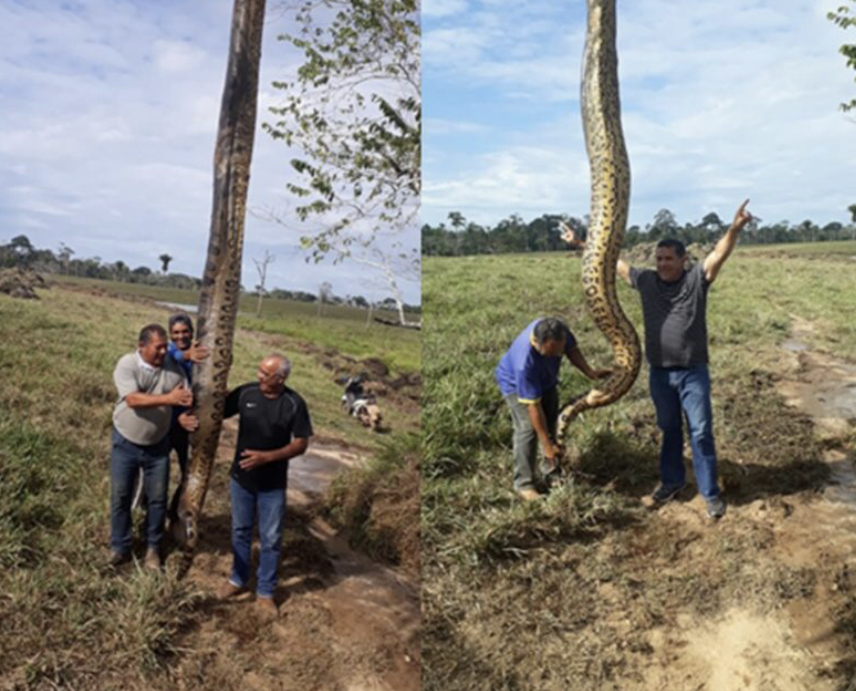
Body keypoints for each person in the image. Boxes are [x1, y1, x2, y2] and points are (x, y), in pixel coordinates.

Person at [564, 199, 753, 519]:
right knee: (669, 430)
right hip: (660, 374)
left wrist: (734, 229)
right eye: (659, 258)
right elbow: (615, 264)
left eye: (668, 259)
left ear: (683, 260)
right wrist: (582, 244)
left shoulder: (696, 280)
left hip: (693, 371)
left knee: (701, 432)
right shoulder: (647, 281)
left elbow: (719, 254)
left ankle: (710, 494)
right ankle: (672, 483)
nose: (662, 264)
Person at [218, 353, 313, 617]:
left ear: (280, 378)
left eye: (265, 374)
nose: (259, 376)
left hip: (273, 485)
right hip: (241, 480)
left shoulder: (294, 404)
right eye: (259, 370)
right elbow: (218, 411)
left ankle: (265, 591)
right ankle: (237, 579)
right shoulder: (246, 394)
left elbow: (301, 443)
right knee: (240, 530)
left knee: (271, 539)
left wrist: (267, 457)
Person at [110, 324, 199, 569]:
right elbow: (132, 399)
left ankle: (153, 549)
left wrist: (182, 414)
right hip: (125, 441)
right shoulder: (127, 364)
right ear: (142, 347)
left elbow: (185, 399)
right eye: (158, 348)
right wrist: (168, 399)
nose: (163, 352)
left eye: (164, 347)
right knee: (121, 496)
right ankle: (120, 546)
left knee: (157, 499)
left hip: (158, 446)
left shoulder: (175, 370)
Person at [495, 317, 610, 500]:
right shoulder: (524, 363)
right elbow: (533, 407)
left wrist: (589, 371)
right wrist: (546, 444)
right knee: (529, 429)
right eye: (551, 354)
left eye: (559, 352)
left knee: (552, 423)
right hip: (516, 385)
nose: (557, 356)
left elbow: (571, 349)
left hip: (546, 381)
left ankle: (551, 472)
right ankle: (524, 484)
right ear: (536, 344)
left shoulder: (558, 330)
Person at [165, 314, 208, 524]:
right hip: (166, 424)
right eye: (176, 332)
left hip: (188, 425)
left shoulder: (198, 352)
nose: (180, 336)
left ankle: (174, 514)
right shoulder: (168, 352)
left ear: (192, 333)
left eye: (184, 332)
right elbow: (173, 355)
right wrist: (186, 356)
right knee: (157, 472)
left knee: (188, 474)